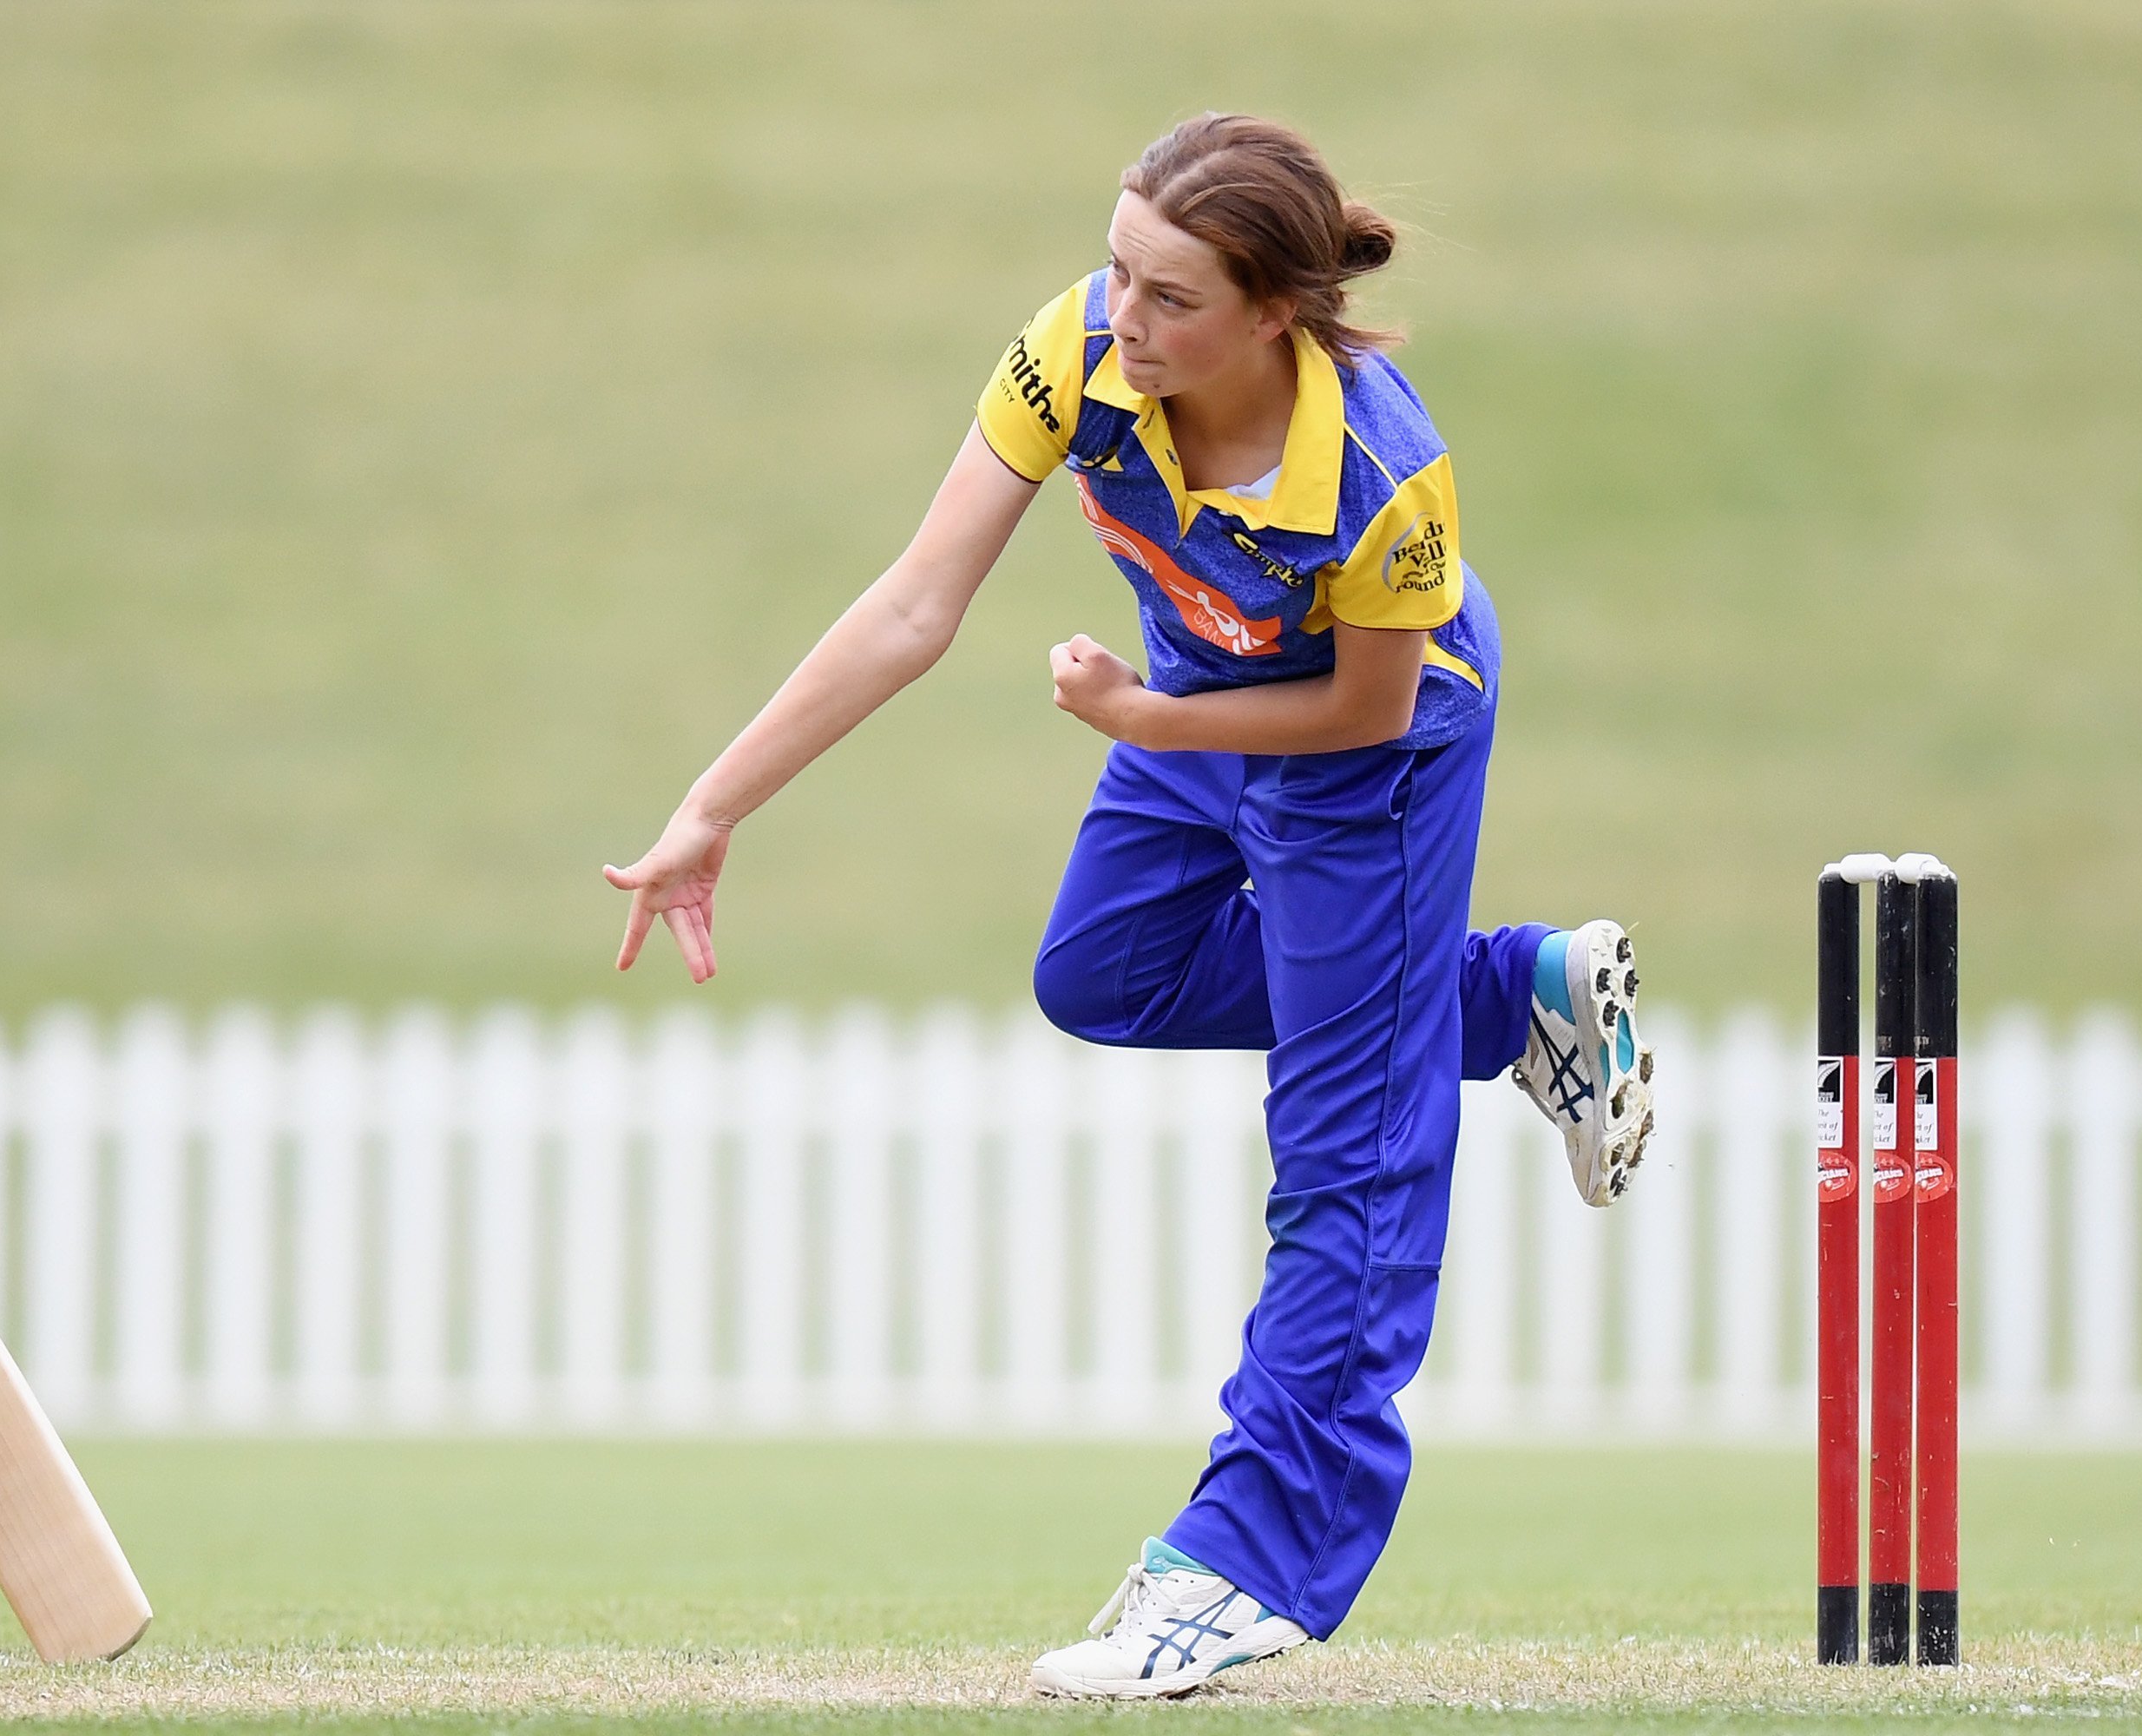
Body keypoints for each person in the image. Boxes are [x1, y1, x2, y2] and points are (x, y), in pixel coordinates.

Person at [605, 113, 1655, 1699]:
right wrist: (711, 807)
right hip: (1194, 679)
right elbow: (913, 604)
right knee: (1105, 974)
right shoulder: (1076, 352)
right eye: (1116, 271)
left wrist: (1156, 727)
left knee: (1348, 1154)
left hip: (1367, 745)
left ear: (1270, 316)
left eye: (1170, 298)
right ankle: (1509, 1001)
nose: (1124, 318)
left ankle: (1246, 1571)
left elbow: (1366, 712)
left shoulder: (1382, 473)